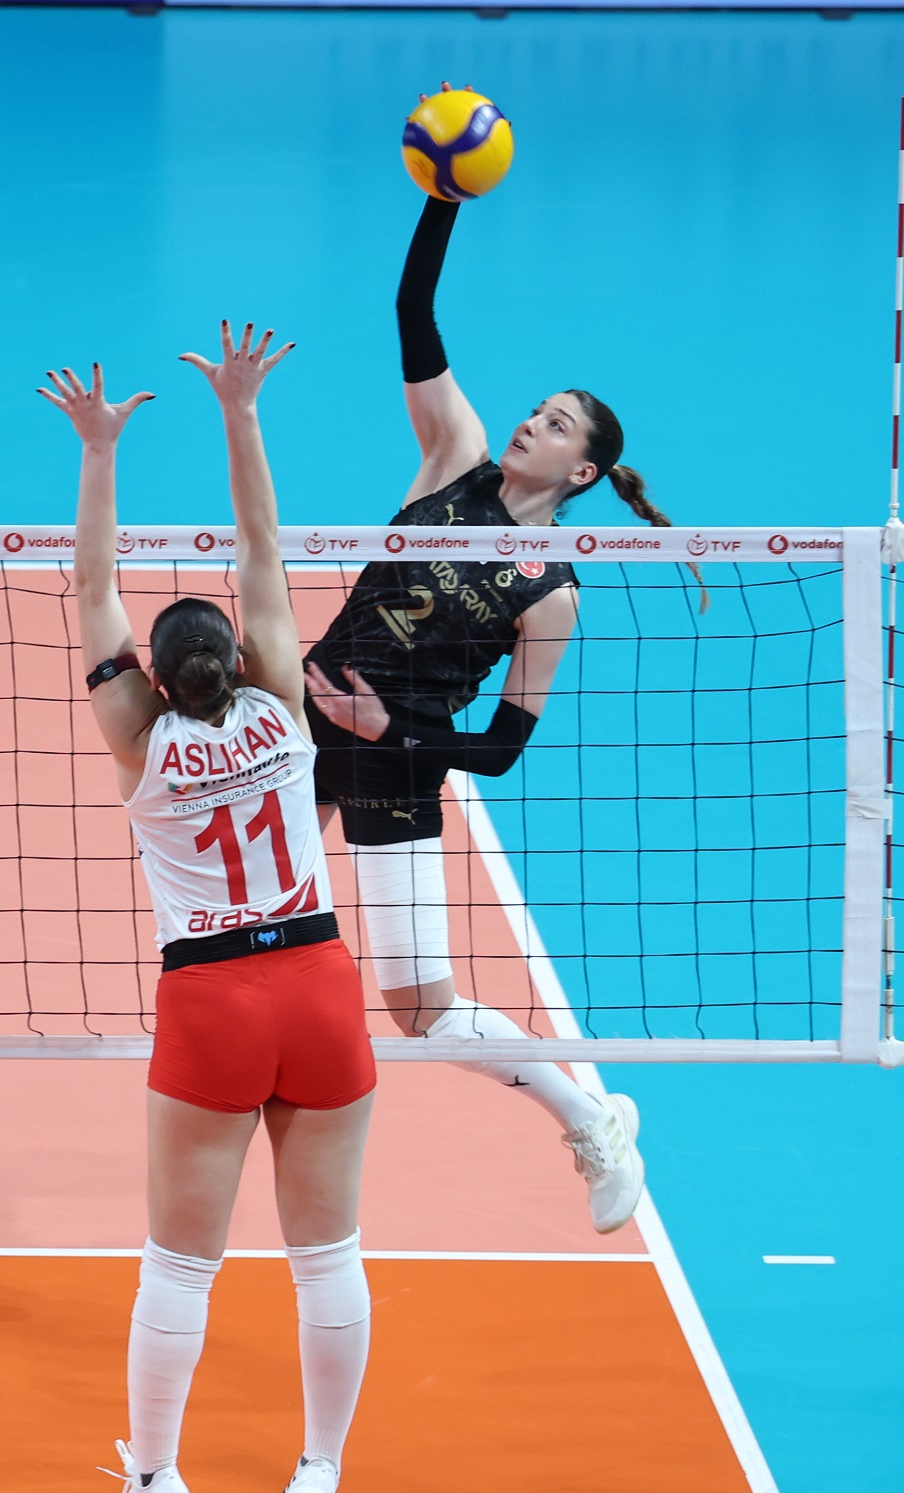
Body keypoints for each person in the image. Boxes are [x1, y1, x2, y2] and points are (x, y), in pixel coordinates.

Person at [42, 327, 376, 1493]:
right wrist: (240, 411)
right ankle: (318, 1470)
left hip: (211, 1002)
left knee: (179, 1265)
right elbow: (260, 549)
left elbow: (92, 589)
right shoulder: (283, 710)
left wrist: (98, 451)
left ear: (150, 674)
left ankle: (156, 1479)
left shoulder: (136, 739)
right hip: (318, 980)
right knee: (325, 1254)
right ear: (236, 658)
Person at [301, 168, 656, 1234]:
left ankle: (590, 1119)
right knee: (234, 901)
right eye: (535, 411)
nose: (529, 425)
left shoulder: (552, 594)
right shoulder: (450, 458)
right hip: (299, 716)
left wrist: (390, 729)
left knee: (421, 1013)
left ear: (582, 472)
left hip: (396, 760)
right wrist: (443, 198)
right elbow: (412, 310)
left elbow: (501, 748)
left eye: (556, 426)